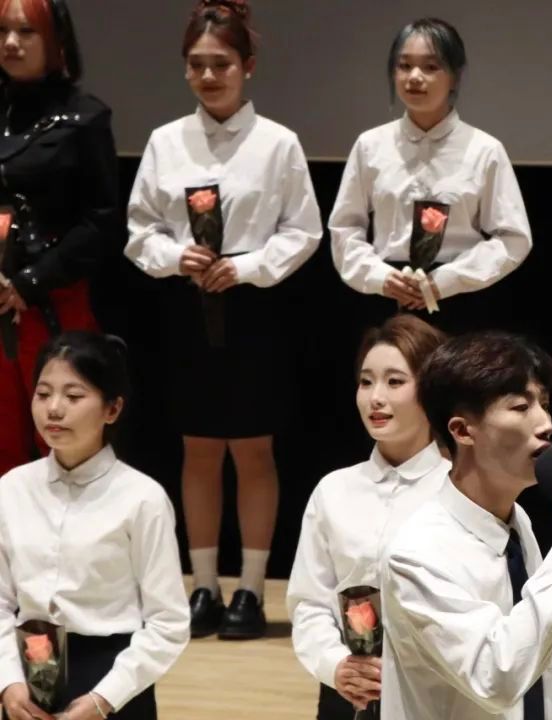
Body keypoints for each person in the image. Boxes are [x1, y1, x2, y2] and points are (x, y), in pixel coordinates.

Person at [125, 0, 322, 640]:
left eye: (221, 64)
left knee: (254, 449)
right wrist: (172, 256)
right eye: (197, 65)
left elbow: (303, 231)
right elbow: (140, 229)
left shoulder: (278, 143)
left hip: (254, 305)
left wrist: (248, 266)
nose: (208, 76)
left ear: (248, 66)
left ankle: (250, 589)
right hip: (186, 305)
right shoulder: (165, 141)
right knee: (199, 448)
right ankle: (204, 585)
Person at [380, 332, 552, 720]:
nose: (546, 424)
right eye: (520, 407)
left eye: (544, 404)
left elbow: (534, 661)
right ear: (462, 430)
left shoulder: (516, 521)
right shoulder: (416, 555)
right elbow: (496, 679)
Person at [0, 331, 189, 720]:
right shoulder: (12, 488)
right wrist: (7, 681)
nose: (54, 409)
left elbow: (168, 622)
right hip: (28, 668)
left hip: (113, 675)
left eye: (73, 396)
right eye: (43, 394)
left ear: (112, 409)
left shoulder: (142, 498)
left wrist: (104, 699)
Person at [287, 315, 449, 719]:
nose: (375, 397)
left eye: (394, 382)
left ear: (432, 389)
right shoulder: (333, 490)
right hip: (349, 693)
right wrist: (337, 666)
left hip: (438, 697)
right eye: (365, 381)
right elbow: (309, 602)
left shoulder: (462, 491)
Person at [329, 17, 531, 334]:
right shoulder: (370, 145)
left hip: (459, 297)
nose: (414, 77)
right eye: (404, 65)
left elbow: (513, 238)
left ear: (455, 76)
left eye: (430, 67)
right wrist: (380, 276)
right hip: (388, 295)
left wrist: (447, 280)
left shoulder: (485, 150)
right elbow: (345, 228)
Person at [0, 0, 119, 476]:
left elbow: (102, 222)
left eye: (26, 32)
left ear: (54, 40)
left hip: (52, 303)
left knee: (62, 438)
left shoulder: (84, 118)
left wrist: (28, 282)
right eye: (2, 31)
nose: (11, 43)